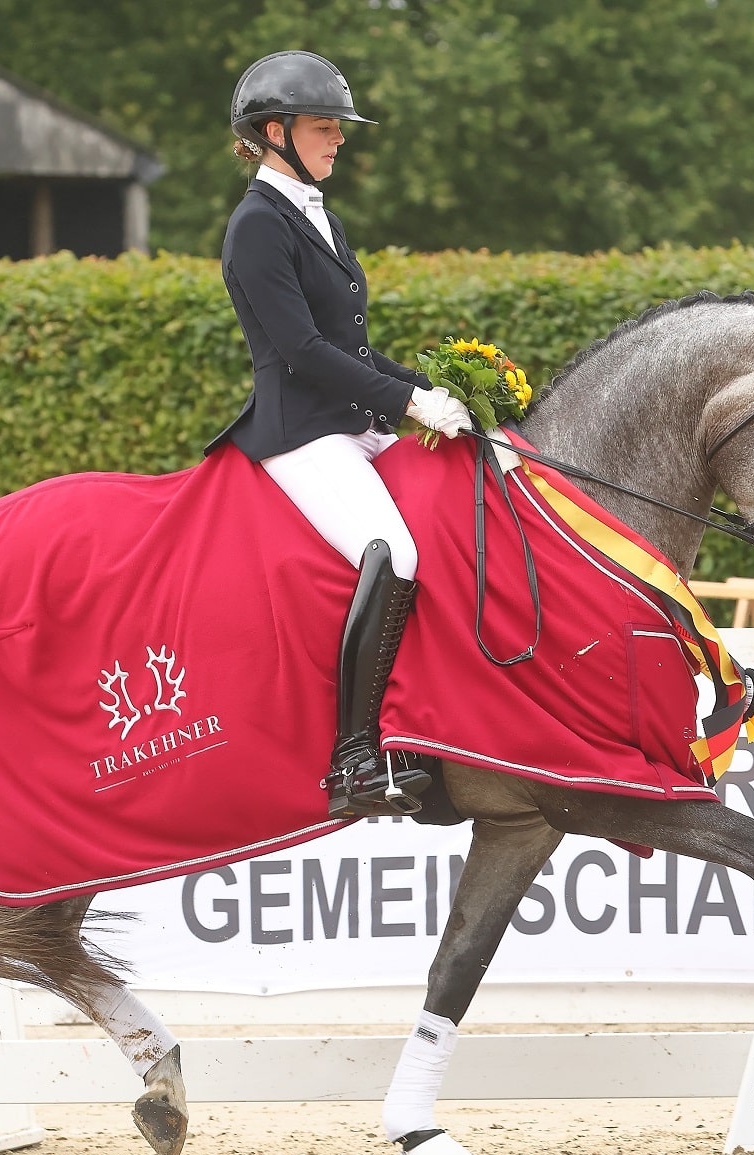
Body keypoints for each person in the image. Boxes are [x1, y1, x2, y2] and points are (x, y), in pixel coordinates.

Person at [208, 50, 473, 818]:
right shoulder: (257, 225)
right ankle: (355, 758)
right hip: (301, 432)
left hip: (352, 423)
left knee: (449, 524)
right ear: (272, 132)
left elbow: (353, 348)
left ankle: (424, 726)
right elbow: (304, 354)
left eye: (338, 128)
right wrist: (409, 405)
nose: (340, 140)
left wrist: (428, 391)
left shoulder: (319, 213)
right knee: (393, 553)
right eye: (326, 127)